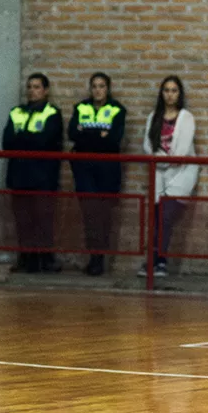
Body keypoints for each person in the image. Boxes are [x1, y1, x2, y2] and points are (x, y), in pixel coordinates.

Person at [1, 73, 64, 273]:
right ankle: (25, 258)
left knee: (43, 219)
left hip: (43, 176)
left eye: (36, 87)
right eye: (29, 87)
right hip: (19, 175)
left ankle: (45, 259)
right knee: (23, 220)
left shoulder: (52, 113)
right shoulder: (16, 112)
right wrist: (30, 138)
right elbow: (7, 143)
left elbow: (45, 141)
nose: (32, 91)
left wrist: (22, 137)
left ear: (45, 90)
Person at [138, 75, 199, 277]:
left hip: (180, 174)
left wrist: (160, 159)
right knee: (156, 219)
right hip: (158, 175)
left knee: (166, 217)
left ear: (179, 94)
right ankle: (154, 262)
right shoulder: (153, 116)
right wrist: (160, 158)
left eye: (174, 90)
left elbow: (180, 153)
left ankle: (158, 261)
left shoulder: (186, 118)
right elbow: (148, 145)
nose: (169, 94)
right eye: (166, 90)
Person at [68, 72, 125, 276]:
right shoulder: (81, 107)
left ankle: (100, 259)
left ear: (107, 88)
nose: (97, 90)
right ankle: (93, 257)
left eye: (101, 86)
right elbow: (72, 134)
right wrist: (99, 135)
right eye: (94, 86)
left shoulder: (117, 109)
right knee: (89, 214)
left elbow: (113, 140)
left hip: (107, 170)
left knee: (104, 215)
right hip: (84, 169)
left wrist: (86, 134)